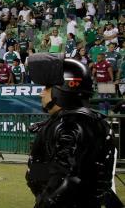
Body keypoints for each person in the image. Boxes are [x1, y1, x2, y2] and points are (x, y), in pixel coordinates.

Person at [26, 54, 122, 208]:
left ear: (62, 90)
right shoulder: (78, 121)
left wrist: (45, 203)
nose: (41, 93)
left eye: (47, 88)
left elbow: (67, 179)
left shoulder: (73, 126)